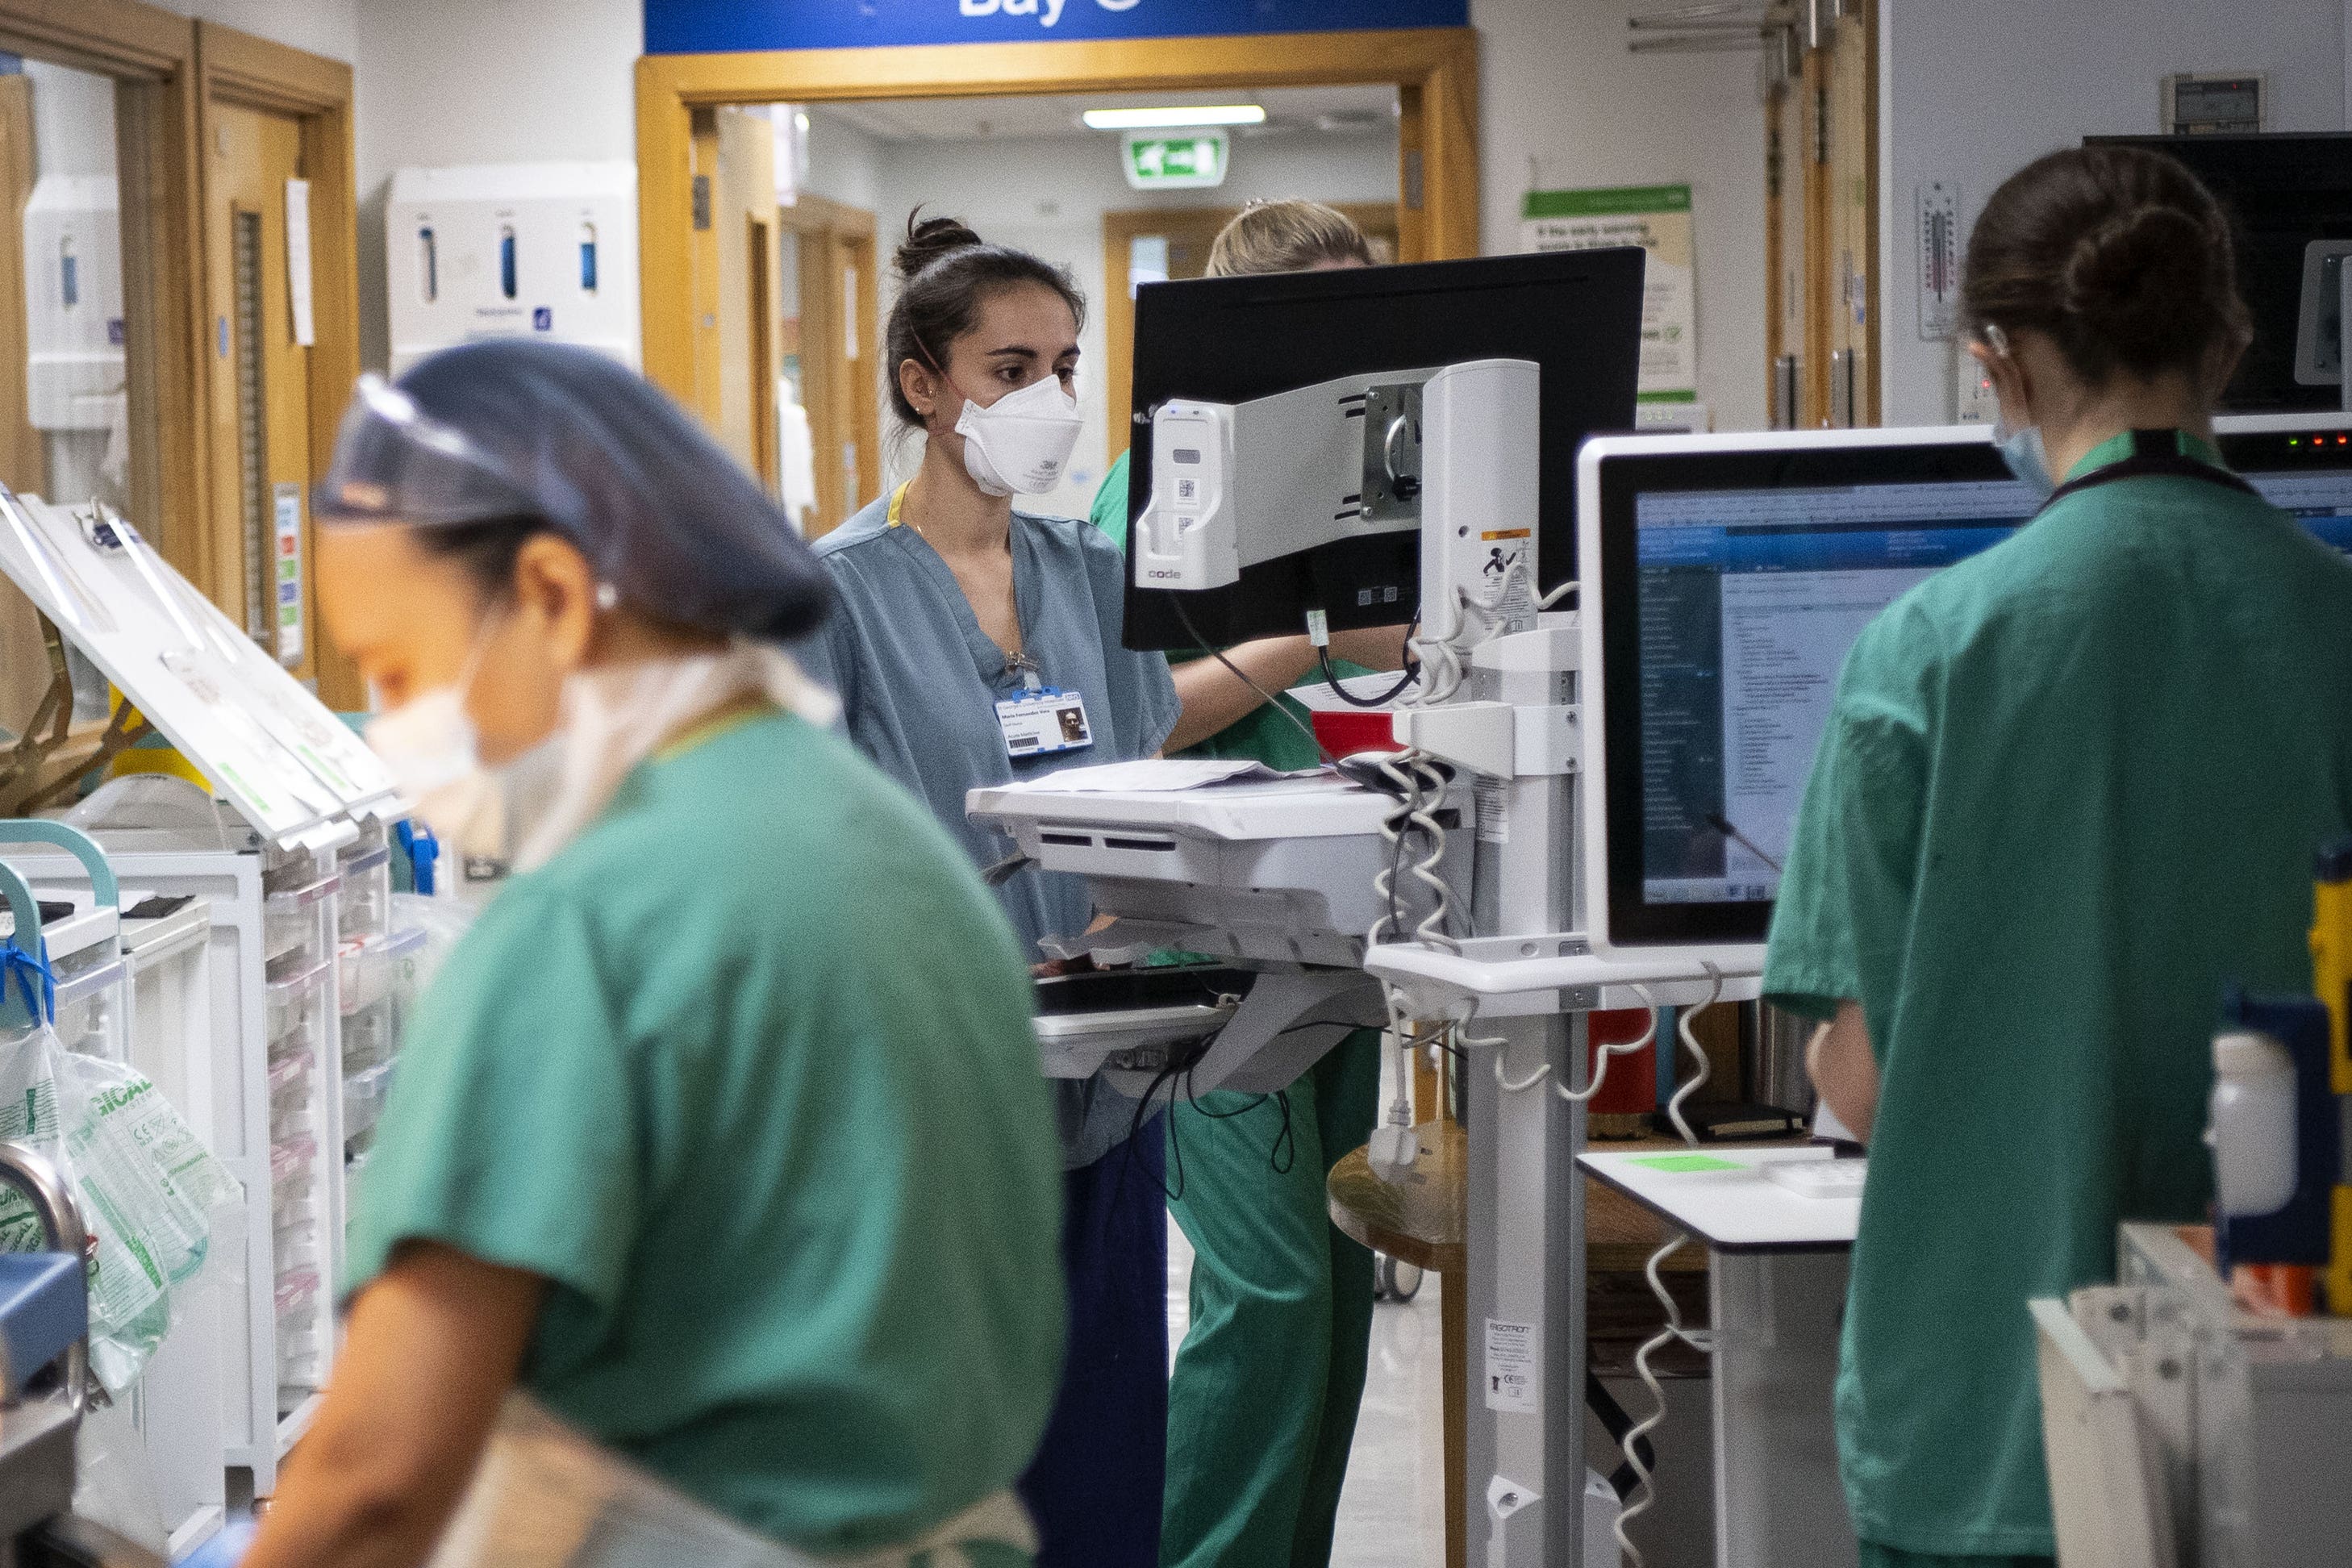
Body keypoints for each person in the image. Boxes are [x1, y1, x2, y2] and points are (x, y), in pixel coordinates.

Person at [240, 340, 1065, 1568]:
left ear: (556, 599)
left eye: (398, 668)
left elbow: (377, 1481)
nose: (396, 729)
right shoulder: (886, 843)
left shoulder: (590, 920)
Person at [1764, 144, 2352, 1568]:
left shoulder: (1931, 653)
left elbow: (1861, 1076)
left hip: (1999, 1424)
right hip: (2315, 1401)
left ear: (1999, 370)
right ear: (2230, 344)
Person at [797, 216, 1178, 1568]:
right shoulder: (834, 599)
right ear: (924, 384)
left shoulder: (1098, 581)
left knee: (1103, 1487)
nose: (1049, 402)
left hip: (1106, 1109)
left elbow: (1144, 808)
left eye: (1067, 368)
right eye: (1012, 369)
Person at [1086, 198, 1404, 1568]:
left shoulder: (1369, 478)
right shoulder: (1163, 479)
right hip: (1206, 945)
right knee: (1266, 1289)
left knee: (1329, 1279)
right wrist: (1309, 634)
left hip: (1347, 923)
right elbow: (1137, 717)